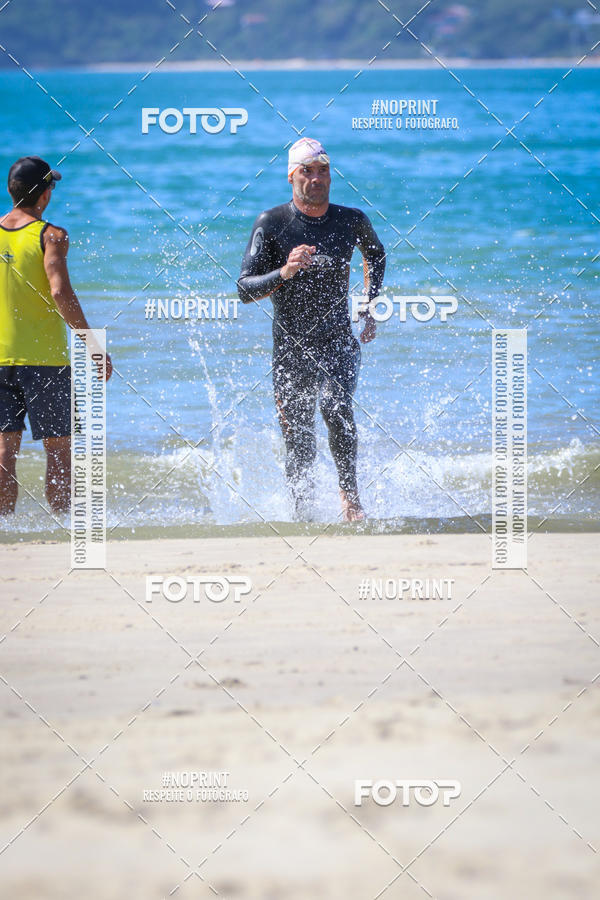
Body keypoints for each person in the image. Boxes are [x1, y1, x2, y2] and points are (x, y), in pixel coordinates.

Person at [237, 137, 385, 522]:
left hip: (338, 340)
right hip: (290, 348)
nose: (316, 179)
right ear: (291, 176)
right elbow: (243, 290)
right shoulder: (271, 224)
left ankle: (350, 499)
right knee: (298, 437)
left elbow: (376, 254)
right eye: (307, 171)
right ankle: (303, 512)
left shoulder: (350, 220)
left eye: (323, 171)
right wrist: (284, 271)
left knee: (337, 409)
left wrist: (368, 304)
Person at [0, 155, 112, 515]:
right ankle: (63, 525)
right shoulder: (51, 235)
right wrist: (93, 347)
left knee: (4, 452)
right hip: (46, 361)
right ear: (45, 195)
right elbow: (61, 293)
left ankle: (5, 530)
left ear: (10, 190)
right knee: (60, 450)